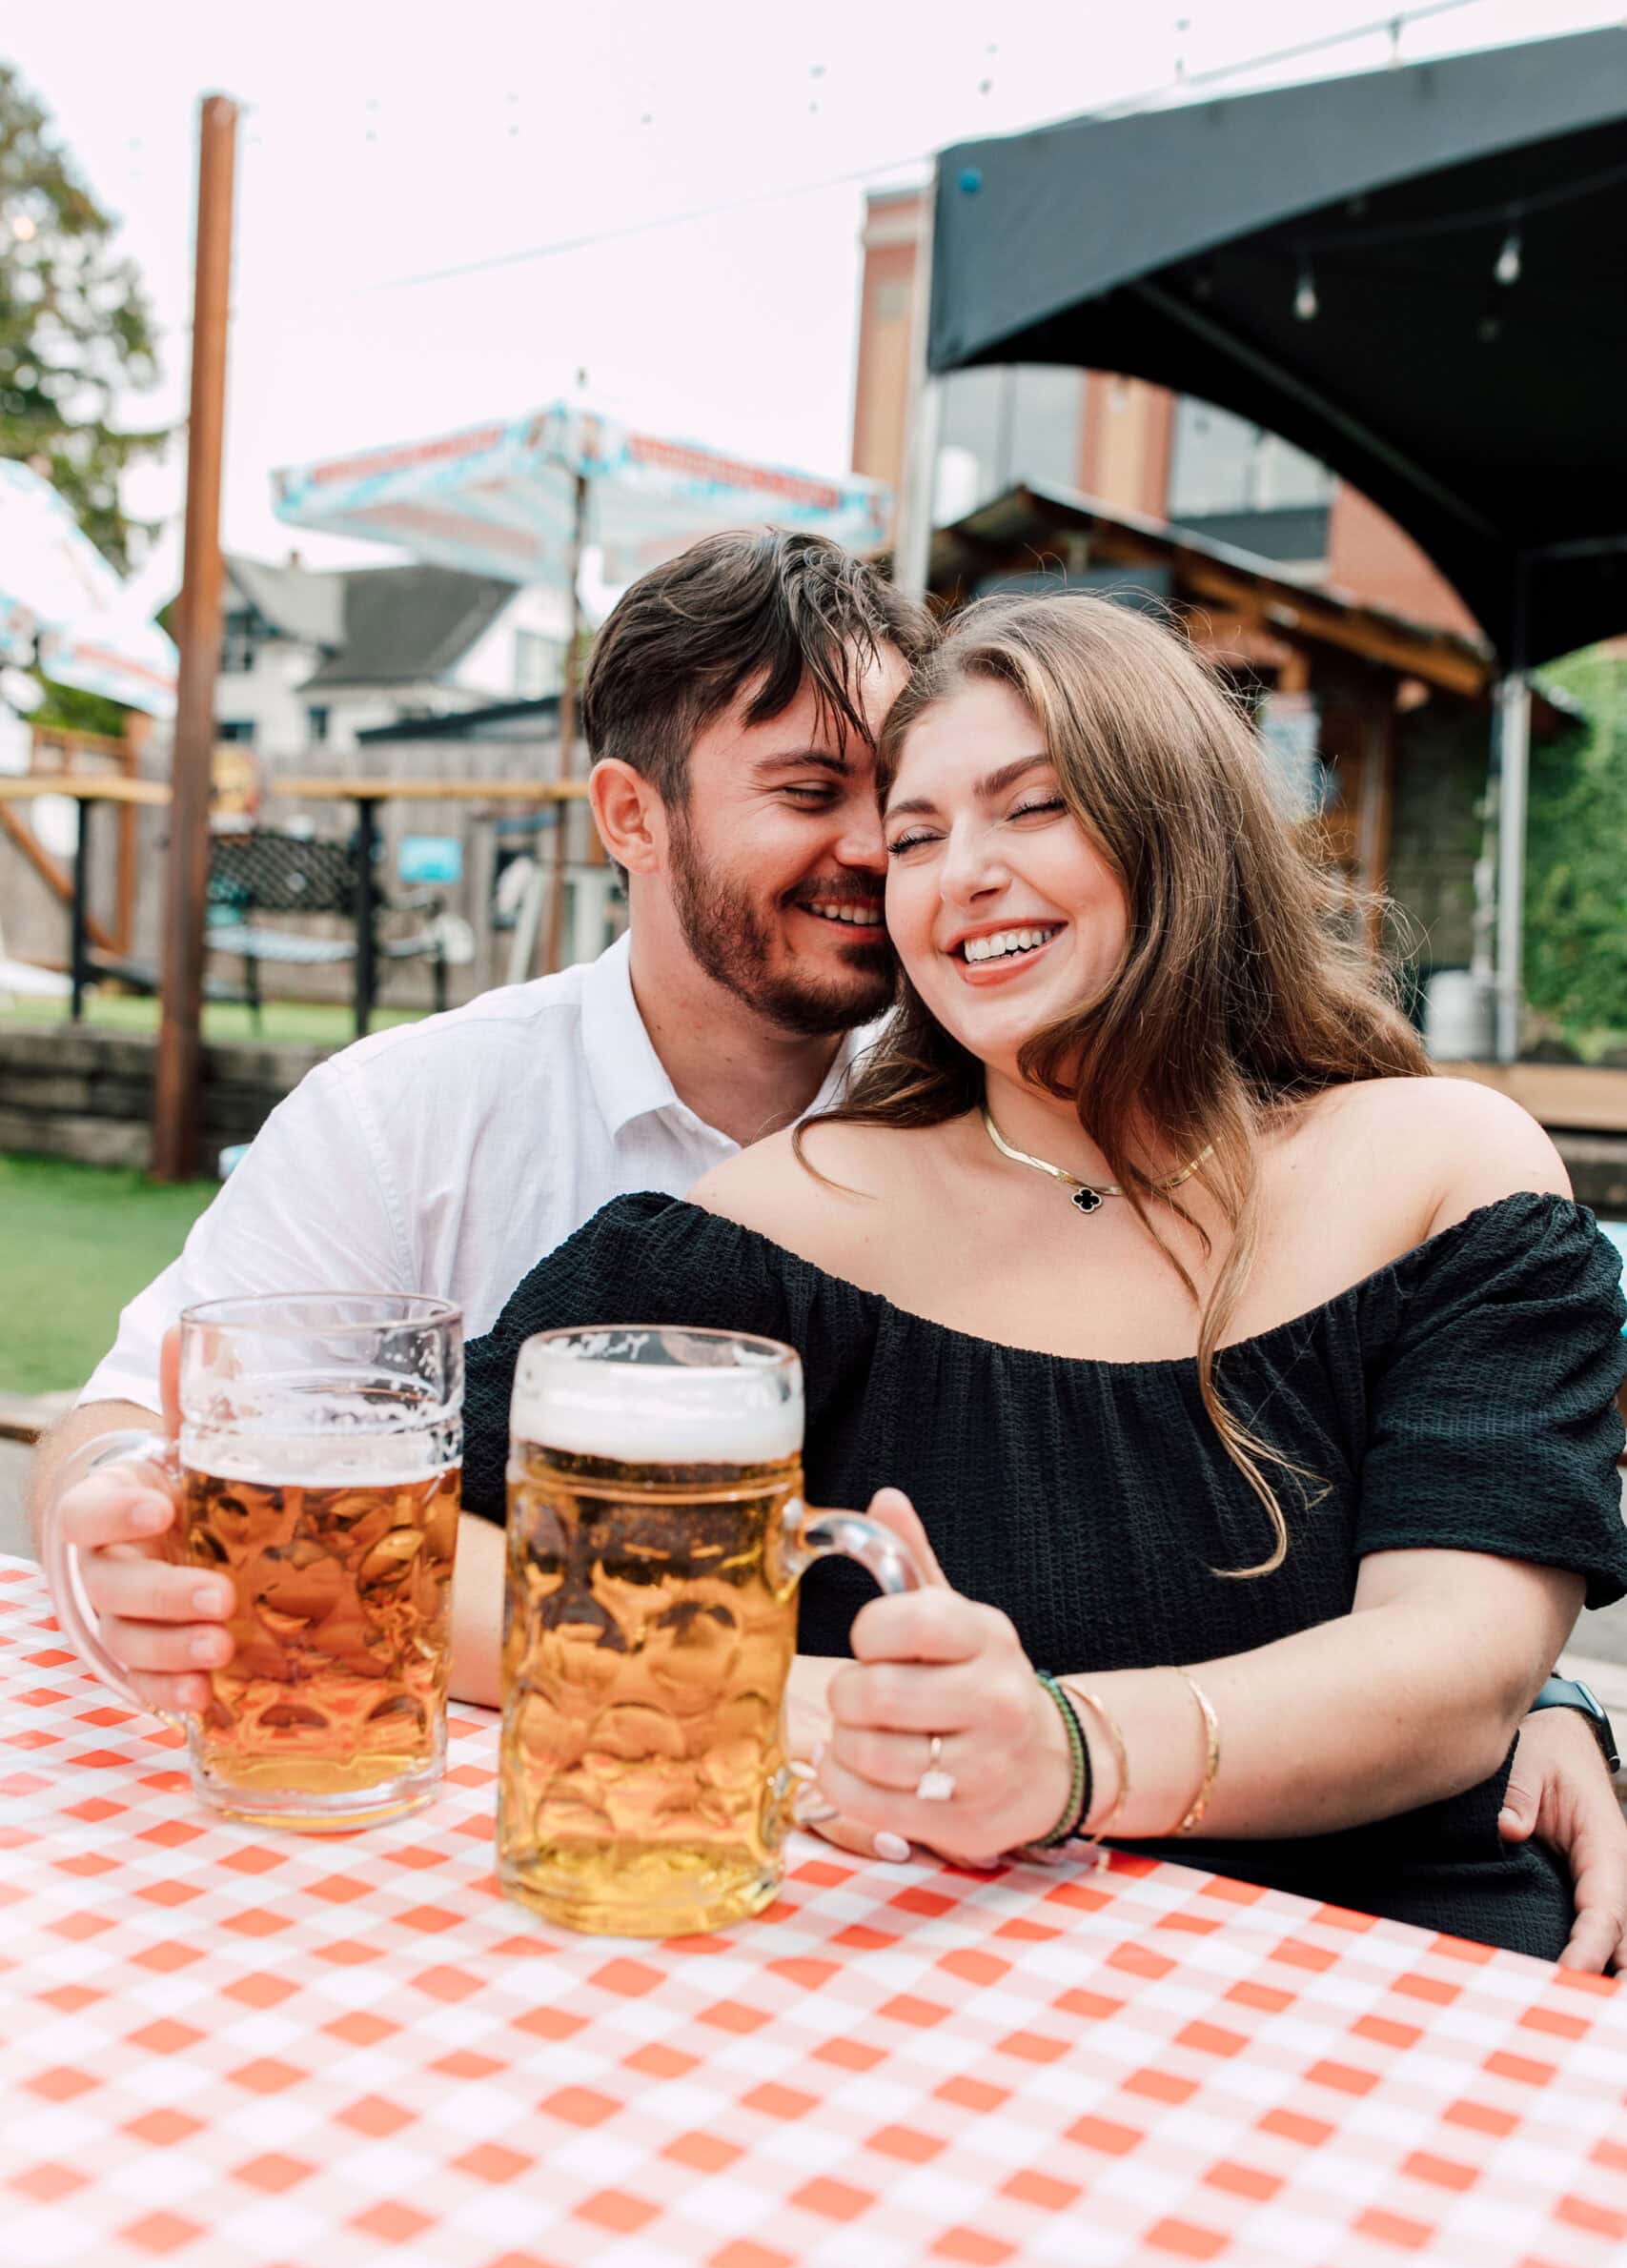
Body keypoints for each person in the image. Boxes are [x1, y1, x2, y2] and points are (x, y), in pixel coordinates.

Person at [31, 544, 1626, 1962]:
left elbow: (1458, 1652)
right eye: (897, 823)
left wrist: (1075, 1748)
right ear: (631, 819)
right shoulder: (768, 1212)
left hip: (1412, 1955)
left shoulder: (1444, 1169)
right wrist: (773, 1697)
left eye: (1031, 804)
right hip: (975, 1966)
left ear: (1177, 821)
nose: (916, 868)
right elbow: (354, 1515)